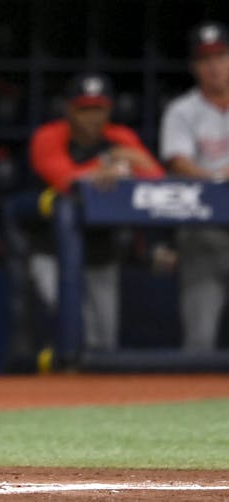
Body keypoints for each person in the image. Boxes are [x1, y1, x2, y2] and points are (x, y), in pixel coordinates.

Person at [29, 71, 164, 353]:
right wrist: (107, 162)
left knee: (104, 343)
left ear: (109, 109)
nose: (91, 117)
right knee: (76, 331)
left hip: (102, 252)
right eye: (83, 109)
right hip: (52, 253)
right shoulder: (48, 136)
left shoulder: (121, 137)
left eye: (98, 109)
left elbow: (158, 184)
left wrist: (128, 162)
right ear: (68, 109)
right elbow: (66, 180)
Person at [159, 21, 229, 352]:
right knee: (200, 341)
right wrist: (217, 179)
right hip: (204, 230)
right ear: (194, 67)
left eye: (221, 55)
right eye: (205, 59)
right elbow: (178, 162)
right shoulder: (182, 110)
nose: (214, 65)